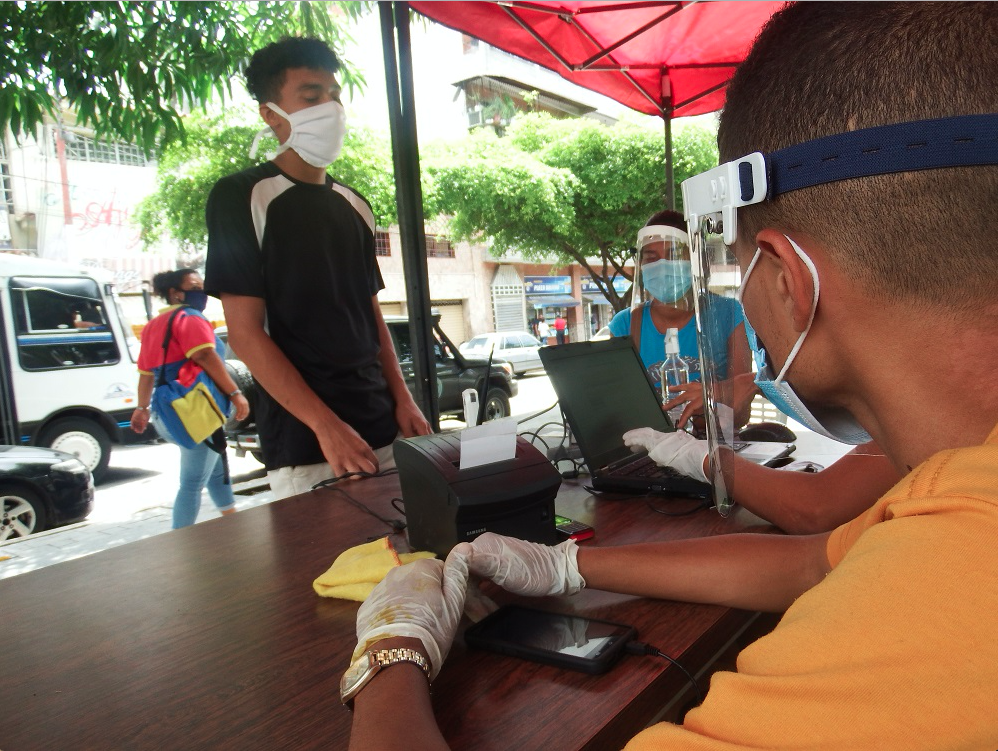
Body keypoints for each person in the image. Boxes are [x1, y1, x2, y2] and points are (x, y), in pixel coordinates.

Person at [345, 4, 998, 748]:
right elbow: (814, 561)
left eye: (741, 259)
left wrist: (390, 651)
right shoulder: (949, 487)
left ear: (789, 277)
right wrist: (566, 564)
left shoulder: (945, 595)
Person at [203, 37, 431, 500]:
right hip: (309, 447)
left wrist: (403, 398)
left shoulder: (355, 205)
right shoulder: (242, 196)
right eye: (310, 96)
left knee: (416, 566)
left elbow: (371, 318)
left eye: (335, 95)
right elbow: (245, 334)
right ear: (270, 113)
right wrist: (327, 427)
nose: (329, 107)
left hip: (387, 430)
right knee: (332, 573)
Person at [608, 210, 753, 427]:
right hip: (653, 451)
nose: (662, 266)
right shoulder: (624, 325)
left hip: (713, 450)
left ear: (698, 261)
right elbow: (619, 409)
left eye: (674, 255)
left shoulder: (728, 315)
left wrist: (706, 405)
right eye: (651, 258)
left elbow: (740, 414)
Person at [130, 269, 250, 529]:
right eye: (195, 286)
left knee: (216, 466)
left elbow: (146, 374)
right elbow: (206, 357)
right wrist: (236, 393)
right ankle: (180, 538)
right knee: (193, 482)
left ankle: (233, 520)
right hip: (196, 410)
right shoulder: (190, 318)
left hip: (169, 410)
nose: (202, 292)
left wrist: (141, 408)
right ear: (175, 293)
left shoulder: (153, 326)